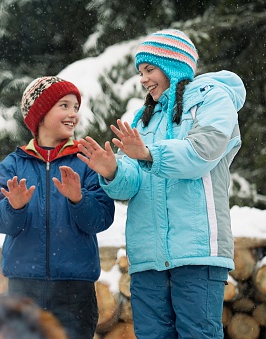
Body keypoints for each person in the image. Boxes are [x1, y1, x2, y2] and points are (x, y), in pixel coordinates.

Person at [77, 29, 246, 338]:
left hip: (197, 252)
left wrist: (148, 153)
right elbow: (131, 184)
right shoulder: (144, 117)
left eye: (149, 70)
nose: (143, 79)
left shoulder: (213, 101)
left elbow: (201, 153)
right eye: (141, 72)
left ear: (172, 66)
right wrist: (113, 170)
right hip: (148, 258)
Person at [0, 76, 115, 339]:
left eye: (76, 108)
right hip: (23, 290)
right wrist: (15, 207)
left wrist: (79, 200)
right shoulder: (13, 164)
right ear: (41, 114)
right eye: (64, 106)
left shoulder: (87, 161)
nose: (73, 115)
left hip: (74, 292)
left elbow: (102, 218)